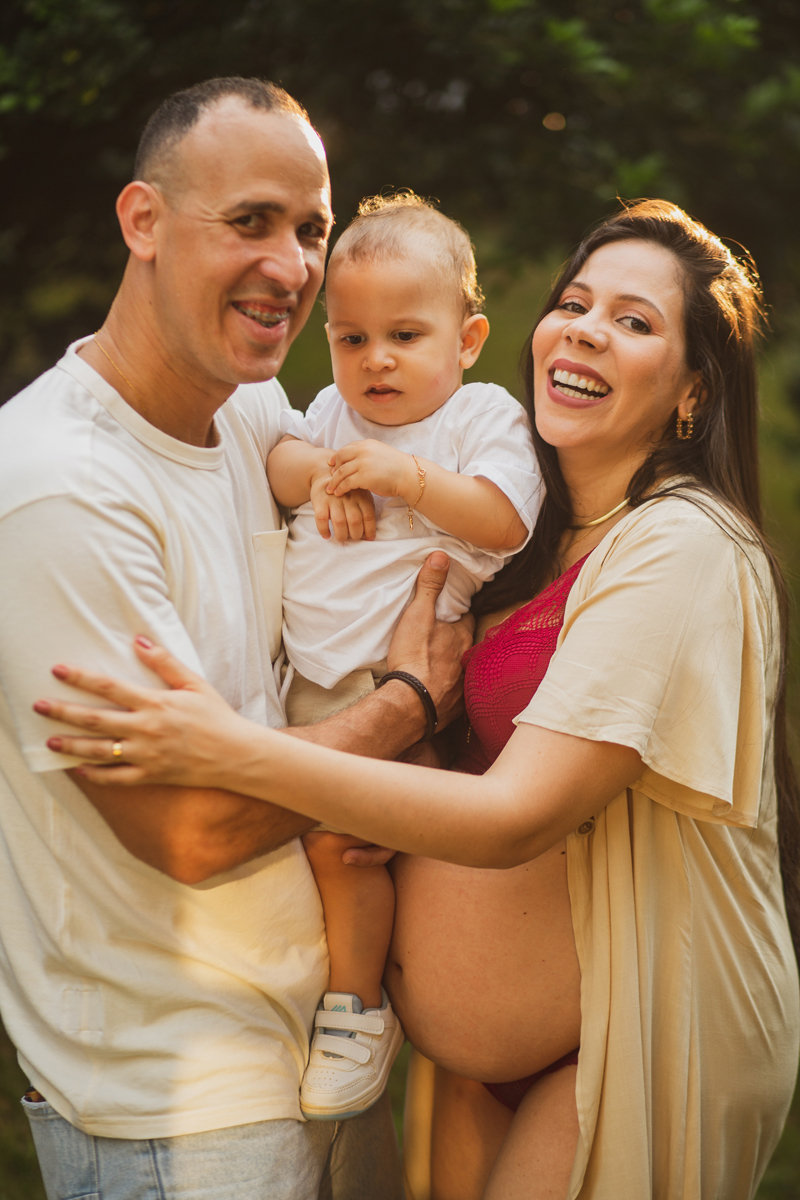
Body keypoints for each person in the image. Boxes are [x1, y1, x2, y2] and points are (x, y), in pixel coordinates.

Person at [37, 200, 800, 1200]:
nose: (584, 330)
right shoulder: (538, 537)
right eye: (574, 303)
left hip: (625, 1032)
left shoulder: (683, 542)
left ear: (694, 389)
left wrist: (228, 749)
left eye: (632, 320)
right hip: (476, 1066)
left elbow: (516, 814)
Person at [0, 76, 472, 1200]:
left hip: (324, 1045)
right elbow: (194, 827)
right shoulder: (57, 489)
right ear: (144, 220)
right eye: (250, 221)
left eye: (310, 229)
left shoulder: (252, 412)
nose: (292, 266)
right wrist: (406, 705)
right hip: (182, 1109)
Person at [267, 191, 541, 1121]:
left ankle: (357, 1011)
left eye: (406, 336)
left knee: (343, 849)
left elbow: (503, 519)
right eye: (352, 339)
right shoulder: (331, 417)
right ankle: (325, 990)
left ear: (467, 341)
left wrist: (408, 477)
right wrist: (326, 476)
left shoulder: (480, 418)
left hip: (395, 682)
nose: (375, 359)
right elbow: (278, 465)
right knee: (296, 851)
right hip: (305, 681)